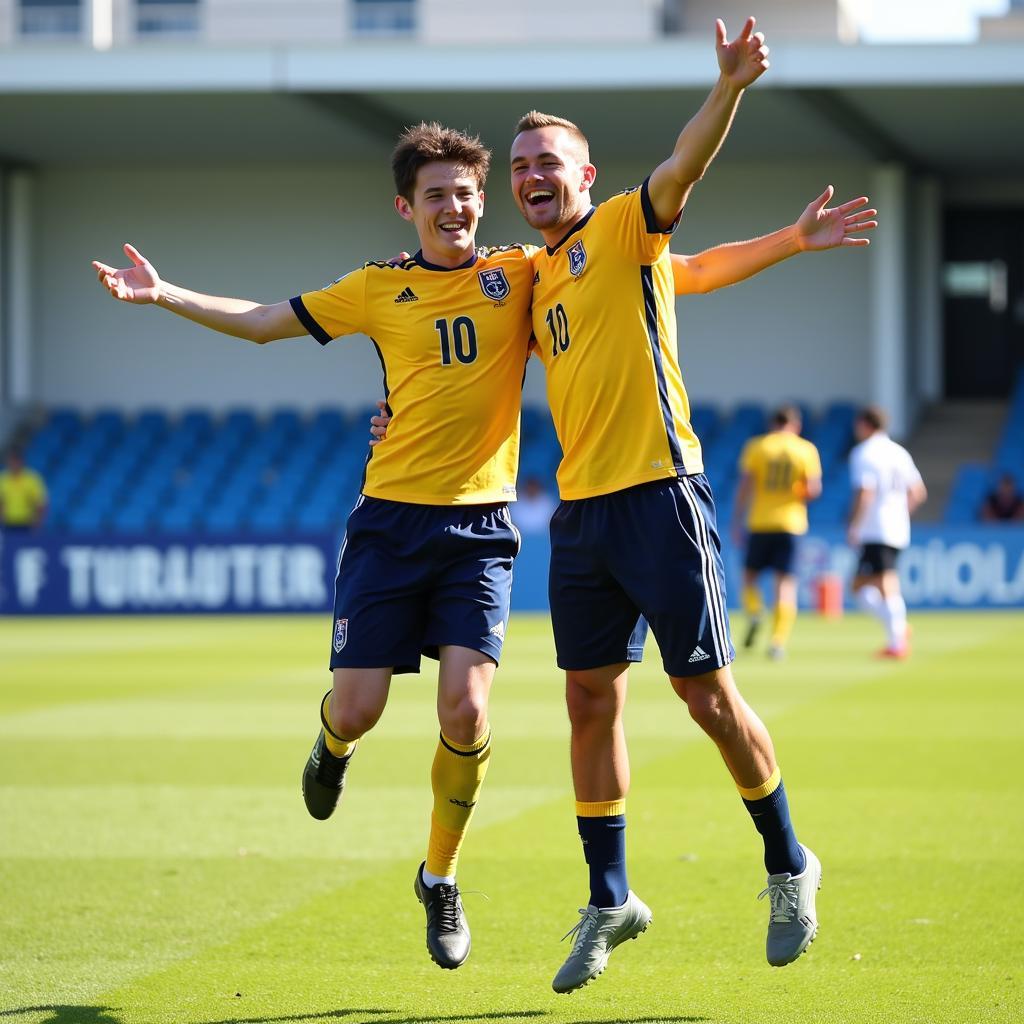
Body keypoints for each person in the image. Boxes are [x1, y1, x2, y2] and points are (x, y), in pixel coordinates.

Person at [92, 123, 536, 971]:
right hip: (388, 526)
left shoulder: (520, 272)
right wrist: (164, 294)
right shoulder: (375, 289)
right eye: (436, 194)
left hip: (481, 529)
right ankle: (331, 745)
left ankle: (440, 877)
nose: (454, 206)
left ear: (485, 199)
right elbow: (264, 323)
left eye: (466, 192)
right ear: (407, 206)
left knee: (468, 711)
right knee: (360, 708)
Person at [508, 16, 846, 993]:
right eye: (521, 163)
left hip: (661, 496)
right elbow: (688, 277)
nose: (533, 174)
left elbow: (679, 173)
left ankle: (788, 860)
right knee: (586, 697)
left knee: (704, 697)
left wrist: (730, 87)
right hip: (581, 517)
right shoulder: (531, 281)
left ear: (584, 173)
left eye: (550, 161)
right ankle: (609, 894)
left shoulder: (623, 221)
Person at [732, 406, 822, 660]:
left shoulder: (758, 447)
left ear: (773, 423)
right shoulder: (805, 449)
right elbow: (813, 490)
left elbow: (745, 485)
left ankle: (754, 610)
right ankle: (777, 641)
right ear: (796, 425)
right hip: (791, 524)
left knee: (749, 576)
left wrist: (737, 519)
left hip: (760, 522)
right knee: (785, 584)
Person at [848, 406, 927, 658]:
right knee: (861, 586)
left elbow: (866, 492)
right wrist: (901, 513)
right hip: (897, 527)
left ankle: (897, 642)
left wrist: (855, 525)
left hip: (875, 528)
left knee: (884, 583)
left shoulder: (864, 453)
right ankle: (898, 628)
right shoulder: (899, 452)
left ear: (864, 424)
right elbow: (918, 492)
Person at [0, 448, 48, 532]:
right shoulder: (3, 479)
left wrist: (38, 521)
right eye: (11, 462)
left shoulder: (32, 479)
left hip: (27, 522)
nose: (13, 465)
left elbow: (40, 502)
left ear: (21, 462)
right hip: (7, 523)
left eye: (16, 462)